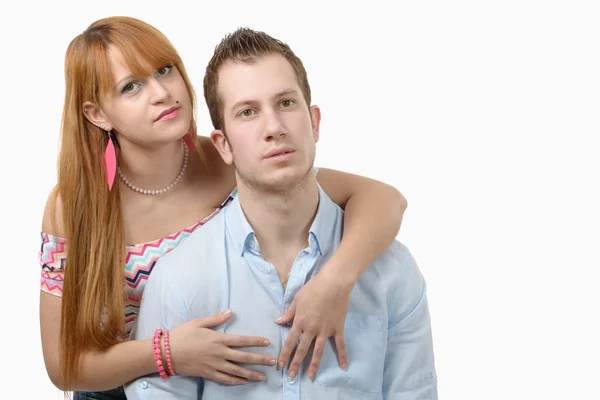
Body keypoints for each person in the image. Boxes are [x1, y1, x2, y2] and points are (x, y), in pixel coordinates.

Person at [39, 16, 408, 400]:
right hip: (112, 390)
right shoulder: (73, 206)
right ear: (97, 114)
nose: (162, 93)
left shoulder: (230, 159)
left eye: (164, 70)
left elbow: (384, 199)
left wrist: (334, 283)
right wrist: (168, 354)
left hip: (227, 379)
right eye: (131, 87)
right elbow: (63, 365)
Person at [124, 27, 437, 400]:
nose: (273, 128)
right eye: (247, 112)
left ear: (315, 122)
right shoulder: (179, 280)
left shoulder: (391, 271)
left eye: (286, 103)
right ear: (223, 145)